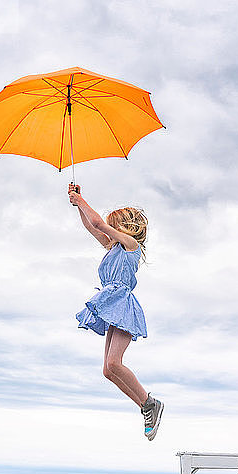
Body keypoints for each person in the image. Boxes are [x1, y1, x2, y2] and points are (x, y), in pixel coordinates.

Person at [68, 183, 163, 441]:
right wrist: (78, 204)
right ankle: (147, 406)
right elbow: (91, 226)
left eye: (113, 225)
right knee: (108, 370)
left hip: (121, 303)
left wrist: (81, 199)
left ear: (124, 227)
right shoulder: (113, 247)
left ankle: (149, 402)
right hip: (112, 302)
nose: (108, 228)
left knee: (113, 363)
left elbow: (98, 224)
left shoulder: (131, 244)